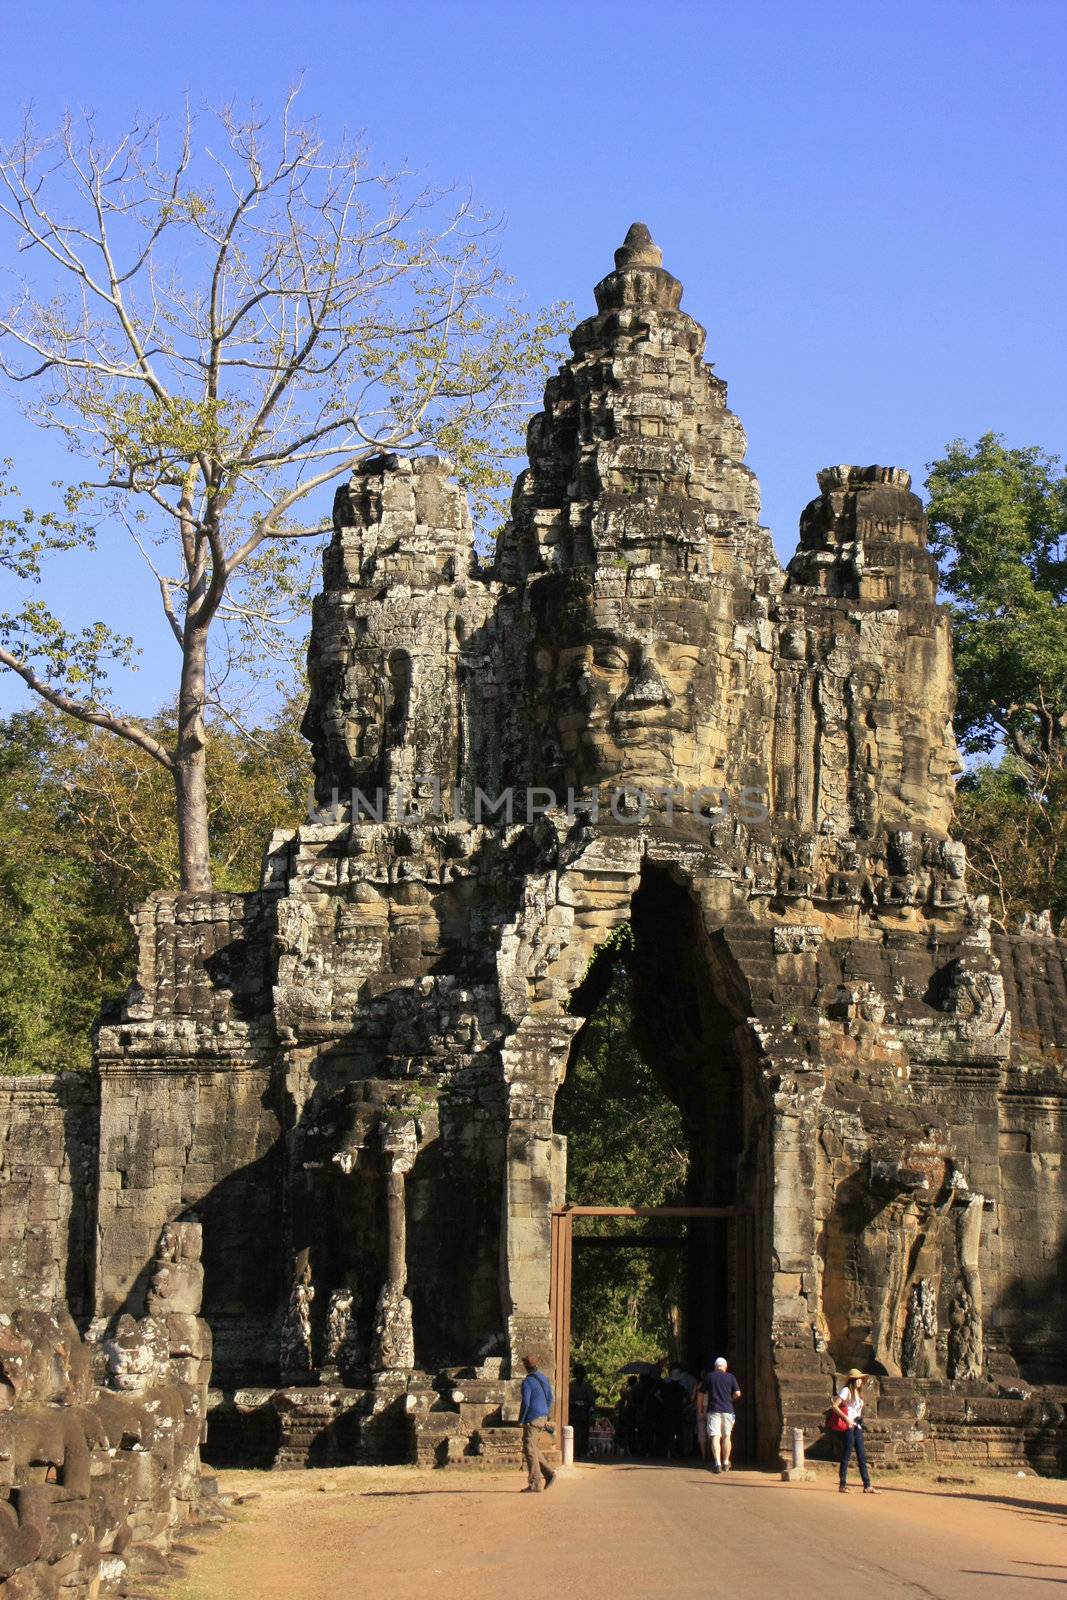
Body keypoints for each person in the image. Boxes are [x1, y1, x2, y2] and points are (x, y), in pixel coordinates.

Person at [831, 1368, 877, 1494]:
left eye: (861, 1379)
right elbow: (835, 1406)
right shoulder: (846, 1391)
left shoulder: (859, 1394)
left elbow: (857, 1411)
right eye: (858, 1379)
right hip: (848, 1426)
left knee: (862, 1456)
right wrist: (846, 1419)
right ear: (852, 1380)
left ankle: (867, 1485)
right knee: (846, 1455)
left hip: (857, 1426)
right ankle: (842, 1485)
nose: (860, 1381)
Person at [518, 1354, 556, 1493]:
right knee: (533, 1448)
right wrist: (544, 1413)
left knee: (529, 1449)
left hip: (532, 1418)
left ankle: (535, 1483)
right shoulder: (543, 1379)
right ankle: (549, 1473)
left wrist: (521, 1419)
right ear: (537, 1365)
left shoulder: (527, 1382)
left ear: (526, 1367)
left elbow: (526, 1403)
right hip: (542, 1416)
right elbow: (550, 1398)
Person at [702, 1355, 741, 1473]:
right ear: (725, 1367)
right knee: (726, 1436)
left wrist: (701, 1408)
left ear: (715, 1367)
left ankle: (717, 1463)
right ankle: (725, 1461)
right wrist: (731, 1400)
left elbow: (701, 1392)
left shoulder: (709, 1377)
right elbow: (738, 1393)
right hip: (728, 1409)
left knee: (715, 1436)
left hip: (713, 1410)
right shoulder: (731, 1377)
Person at [569, 1363, 597, 1459]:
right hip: (574, 1412)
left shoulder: (587, 1386)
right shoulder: (571, 1385)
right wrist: (574, 1402)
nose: (579, 1375)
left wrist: (586, 1404)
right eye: (578, 1373)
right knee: (575, 1432)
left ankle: (583, 1450)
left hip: (584, 1412)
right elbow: (568, 1399)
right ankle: (575, 1450)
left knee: (584, 1433)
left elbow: (592, 1401)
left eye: (581, 1373)